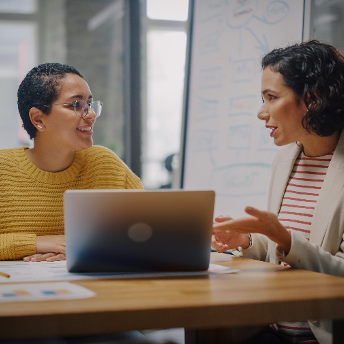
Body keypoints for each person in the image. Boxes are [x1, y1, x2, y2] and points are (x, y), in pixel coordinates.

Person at [212, 40, 344, 344]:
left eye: (271, 97)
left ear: (313, 98)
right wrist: (247, 240)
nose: (262, 112)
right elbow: (288, 252)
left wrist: (282, 236)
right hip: (272, 330)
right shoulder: (285, 159)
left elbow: (336, 272)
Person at [0, 63, 143, 262]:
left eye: (90, 104)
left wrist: (83, 248)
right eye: (76, 105)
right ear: (38, 119)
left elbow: (148, 232)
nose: (91, 115)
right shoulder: (3, 169)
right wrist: (38, 243)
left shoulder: (106, 165)